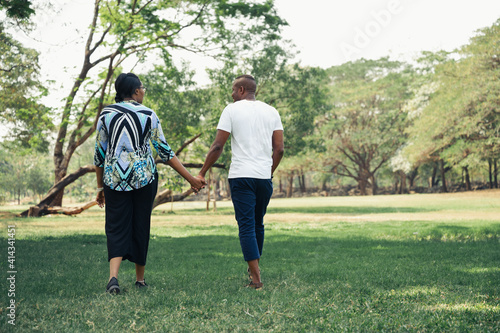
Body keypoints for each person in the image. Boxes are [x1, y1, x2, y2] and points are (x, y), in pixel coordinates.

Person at [94, 72, 205, 294]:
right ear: (135, 91)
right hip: (144, 178)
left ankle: (113, 279)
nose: (144, 91)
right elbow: (164, 151)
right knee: (141, 224)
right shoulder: (148, 114)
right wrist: (191, 179)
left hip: (113, 179)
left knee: (115, 226)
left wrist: (100, 187)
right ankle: (140, 280)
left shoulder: (106, 114)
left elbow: (99, 154)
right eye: (142, 88)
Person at [197, 74, 284, 289]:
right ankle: (254, 268)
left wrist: (201, 172)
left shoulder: (231, 110)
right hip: (263, 178)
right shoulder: (272, 111)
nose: (232, 94)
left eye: (234, 90)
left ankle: (256, 279)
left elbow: (218, 146)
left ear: (242, 90)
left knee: (246, 226)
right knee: (257, 224)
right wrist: (269, 171)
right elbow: (280, 149)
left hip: (241, 176)